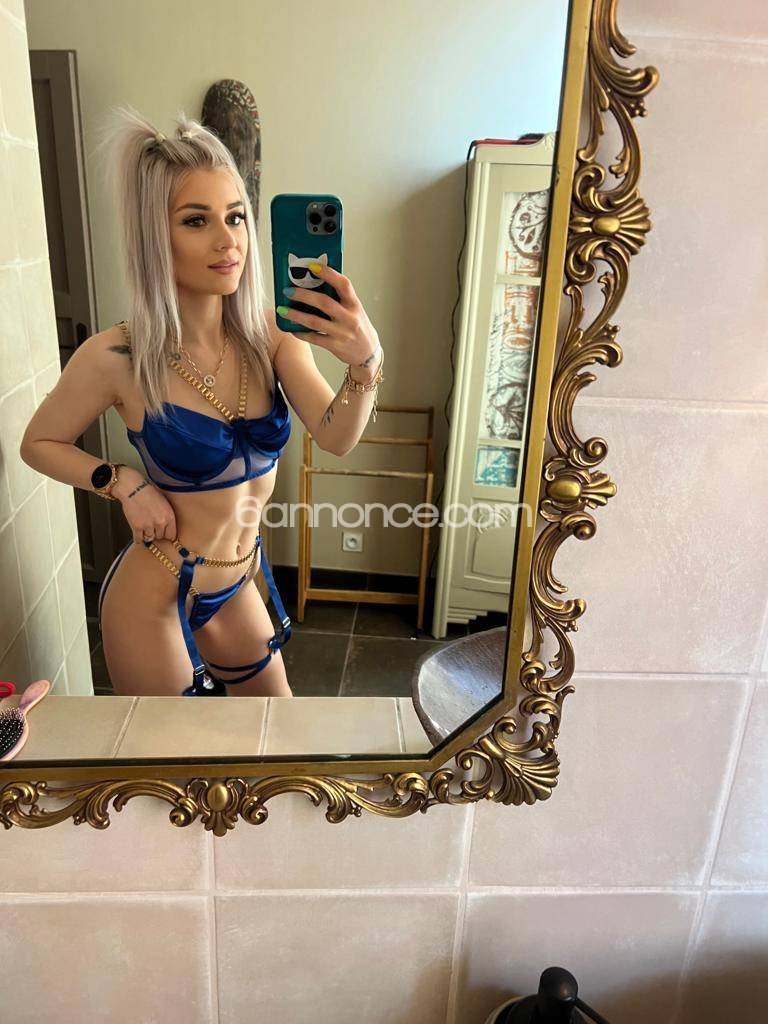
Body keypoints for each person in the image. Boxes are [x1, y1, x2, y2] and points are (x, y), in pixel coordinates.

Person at [19, 106, 384, 698]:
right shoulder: (116, 356)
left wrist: (366, 362)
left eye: (236, 217)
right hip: (154, 595)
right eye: (196, 220)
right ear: (155, 237)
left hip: (236, 583)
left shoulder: (271, 337)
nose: (227, 240)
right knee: (175, 753)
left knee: (275, 730)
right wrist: (122, 482)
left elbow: (337, 436)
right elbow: (38, 443)